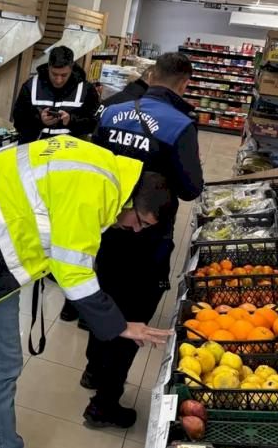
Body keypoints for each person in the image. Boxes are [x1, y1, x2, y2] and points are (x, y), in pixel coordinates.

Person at [0, 135, 175, 448]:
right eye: (141, 221)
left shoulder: (108, 168)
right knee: (4, 364)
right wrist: (119, 325)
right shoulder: (94, 193)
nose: (136, 230)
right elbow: (73, 271)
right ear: (133, 199)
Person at [80, 52, 204, 429]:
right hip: (147, 236)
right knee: (134, 316)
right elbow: (190, 188)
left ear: (151, 75)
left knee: (102, 294)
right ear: (183, 84)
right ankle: (104, 403)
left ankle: (92, 370)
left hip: (107, 225)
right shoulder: (180, 124)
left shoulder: (112, 110)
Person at [60, 65, 156, 325]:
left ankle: (71, 308)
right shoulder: (144, 109)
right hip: (122, 192)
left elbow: (95, 137)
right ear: (152, 81)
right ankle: (93, 312)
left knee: (85, 249)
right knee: (104, 256)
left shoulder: (111, 103)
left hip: (94, 184)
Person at [11, 46, 100, 144]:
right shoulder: (31, 86)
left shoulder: (86, 89)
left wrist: (70, 120)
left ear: (71, 68)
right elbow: (18, 121)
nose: (58, 80)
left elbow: (94, 124)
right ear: (48, 67)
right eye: (54, 74)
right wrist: (39, 119)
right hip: (34, 150)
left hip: (68, 154)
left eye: (64, 75)